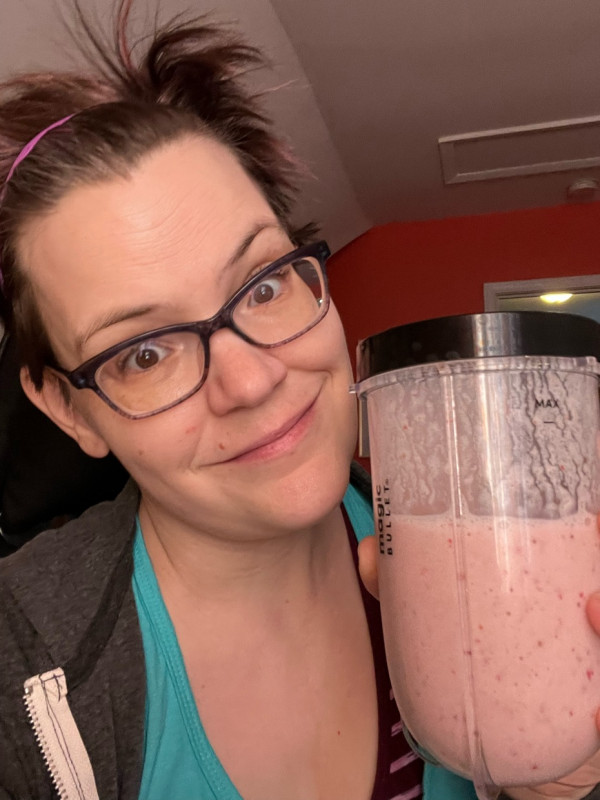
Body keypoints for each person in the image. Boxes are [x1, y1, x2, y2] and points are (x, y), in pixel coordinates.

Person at [0, 2, 599, 799]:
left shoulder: (471, 554)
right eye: (144, 353)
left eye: (263, 285)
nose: (252, 381)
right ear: (68, 409)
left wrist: (556, 778)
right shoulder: (23, 675)